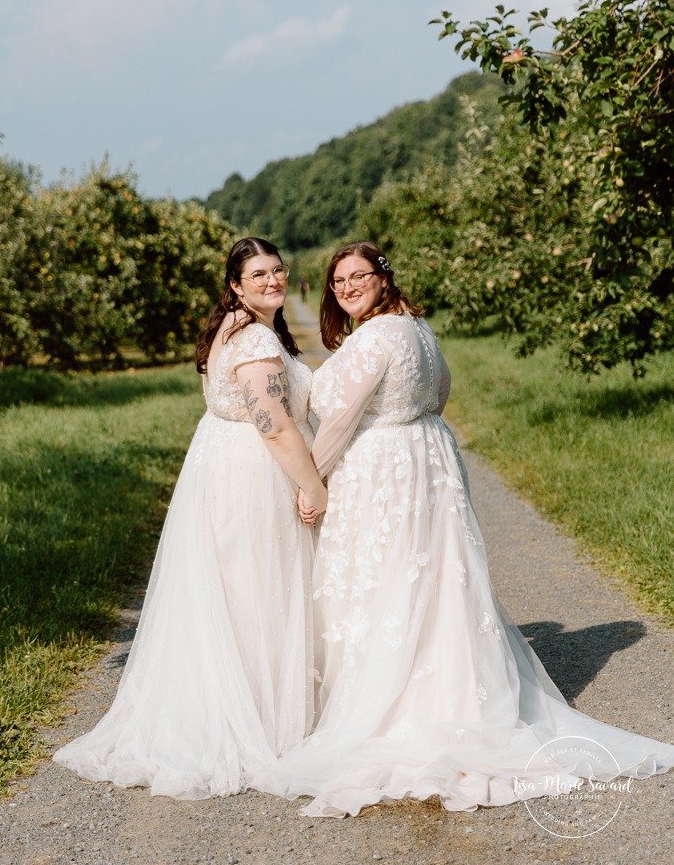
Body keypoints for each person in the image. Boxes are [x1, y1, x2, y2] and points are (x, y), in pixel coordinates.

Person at [256, 239, 674, 817]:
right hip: (428, 460)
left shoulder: (377, 337)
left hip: (385, 472)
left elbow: (340, 421)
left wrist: (312, 482)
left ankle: (393, 706)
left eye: (359, 275)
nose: (347, 286)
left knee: (389, 582)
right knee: (434, 582)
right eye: (339, 280)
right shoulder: (418, 328)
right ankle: (450, 691)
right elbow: (442, 391)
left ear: (383, 276)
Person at [54, 237, 327, 799]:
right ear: (235, 284)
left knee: (232, 592)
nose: (273, 281)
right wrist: (311, 484)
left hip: (221, 466)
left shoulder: (233, 327)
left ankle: (243, 706)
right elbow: (273, 425)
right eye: (259, 274)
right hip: (253, 473)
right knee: (259, 590)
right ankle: (262, 720)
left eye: (278, 271)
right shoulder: (252, 338)